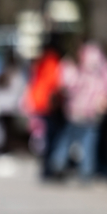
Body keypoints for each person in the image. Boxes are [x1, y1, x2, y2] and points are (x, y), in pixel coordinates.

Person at [49, 41, 107, 181]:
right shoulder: (103, 66)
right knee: (89, 143)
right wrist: (105, 97)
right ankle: (86, 171)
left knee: (68, 139)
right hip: (93, 110)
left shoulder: (75, 64)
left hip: (76, 109)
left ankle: (58, 164)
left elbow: (66, 84)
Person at [21, 34, 65, 179]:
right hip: (48, 105)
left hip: (38, 102)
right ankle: (48, 169)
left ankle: (46, 168)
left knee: (43, 138)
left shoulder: (41, 61)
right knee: (51, 138)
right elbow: (55, 83)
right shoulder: (53, 61)